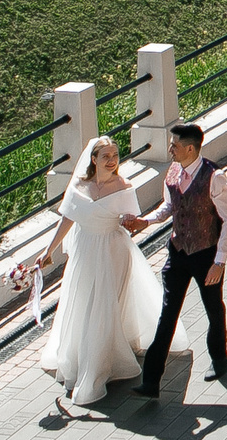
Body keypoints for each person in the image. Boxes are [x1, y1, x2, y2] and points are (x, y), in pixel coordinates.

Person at [36, 136, 160, 409]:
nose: (112, 159)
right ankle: (82, 357)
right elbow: (68, 218)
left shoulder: (124, 186)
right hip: (85, 253)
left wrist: (132, 223)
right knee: (83, 303)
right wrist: (49, 251)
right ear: (93, 159)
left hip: (113, 252)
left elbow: (134, 224)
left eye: (115, 154)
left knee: (104, 306)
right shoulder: (79, 185)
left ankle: (98, 367)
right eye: (106, 155)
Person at [122, 122, 227, 399]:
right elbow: (170, 207)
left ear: (190, 148)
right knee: (167, 314)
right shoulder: (173, 171)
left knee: (213, 308)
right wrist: (144, 221)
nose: (170, 149)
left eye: (174, 145)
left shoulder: (214, 177)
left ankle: (220, 359)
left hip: (206, 254)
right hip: (177, 253)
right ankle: (151, 381)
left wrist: (218, 262)